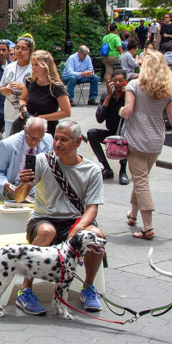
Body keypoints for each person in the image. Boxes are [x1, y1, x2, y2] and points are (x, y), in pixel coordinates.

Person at [13, 120, 105, 315]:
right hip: (43, 218)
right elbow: (20, 198)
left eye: (64, 140)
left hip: (74, 220)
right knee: (47, 232)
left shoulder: (92, 170)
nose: (58, 144)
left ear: (78, 142)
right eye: (56, 138)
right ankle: (25, 289)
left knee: (96, 234)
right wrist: (23, 184)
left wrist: (79, 228)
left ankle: (88, 287)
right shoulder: (42, 160)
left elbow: (92, 208)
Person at [120, 49, 172, 240]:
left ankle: (148, 227)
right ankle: (133, 214)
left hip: (137, 140)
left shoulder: (134, 85)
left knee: (141, 181)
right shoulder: (166, 90)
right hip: (156, 140)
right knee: (140, 177)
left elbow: (128, 111)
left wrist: (122, 110)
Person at [0, 116, 53, 201]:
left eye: (38, 139)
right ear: (25, 129)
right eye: (31, 137)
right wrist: (4, 184)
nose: (34, 142)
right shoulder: (7, 145)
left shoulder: (48, 140)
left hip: (36, 189)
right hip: (13, 188)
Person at [87, 69, 130, 185]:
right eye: (114, 81)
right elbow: (99, 118)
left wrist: (126, 98)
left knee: (125, 138)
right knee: (91, 133)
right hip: (111, 133)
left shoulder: (129, 95)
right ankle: (107, 168)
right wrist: (108, 98)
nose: (117, 84)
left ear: (125, 82)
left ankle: (123, 171)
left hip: (126, 134)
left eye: (120, 81)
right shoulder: (107, 95)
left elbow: (132, 115)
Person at [18, 49, 71, 137]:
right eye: (32, 65)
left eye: (37, 65)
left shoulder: (56, 87)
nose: (33, 68)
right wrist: (23, 108)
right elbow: (22, 99)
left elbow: (66, 112)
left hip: (47, 129)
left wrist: (41, 118)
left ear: (46, 66)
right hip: (28, 126)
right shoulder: (30, 82)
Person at [0, 36, 34, 136]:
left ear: (31, 51)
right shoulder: (9, 67)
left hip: (28, 113)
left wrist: (23, 87)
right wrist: (5, 90)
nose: (19, 51)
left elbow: (39, 90)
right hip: (10, 112)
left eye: (24, 49)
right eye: (17, 48)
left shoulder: (34, 68)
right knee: (10, 143)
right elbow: (1, 88)